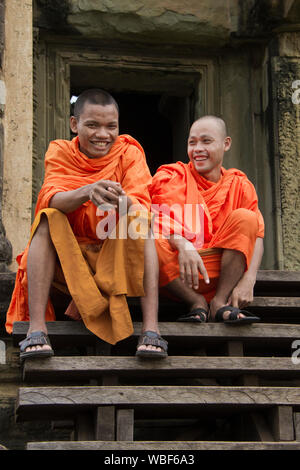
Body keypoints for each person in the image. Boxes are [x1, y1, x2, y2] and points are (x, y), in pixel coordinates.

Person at [6, 88, 168, 359]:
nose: (103, 135)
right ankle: (37, 330)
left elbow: (141, 203)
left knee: (142, 222)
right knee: (47, 218)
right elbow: (50, 198)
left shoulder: (128, 152)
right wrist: (88, 191)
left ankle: (151, 330)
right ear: (74, 124)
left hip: (113, 258)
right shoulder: (59, 151)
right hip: (69, 262)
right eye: (92, 125)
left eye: (110, 126)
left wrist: (121, 201)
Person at [149, 115, 264, 324]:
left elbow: (257, 235)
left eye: (206, 141)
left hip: (223, 272)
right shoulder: (171, 177)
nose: (198, 149)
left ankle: (219, 302)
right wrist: (182, 243)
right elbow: (155, 221)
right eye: (192, 142)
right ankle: (196, 301)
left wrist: (249, 280)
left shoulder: (239, 184)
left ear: (226, 143)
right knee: (146, 239)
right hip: (176, 274)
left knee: (246, 218)